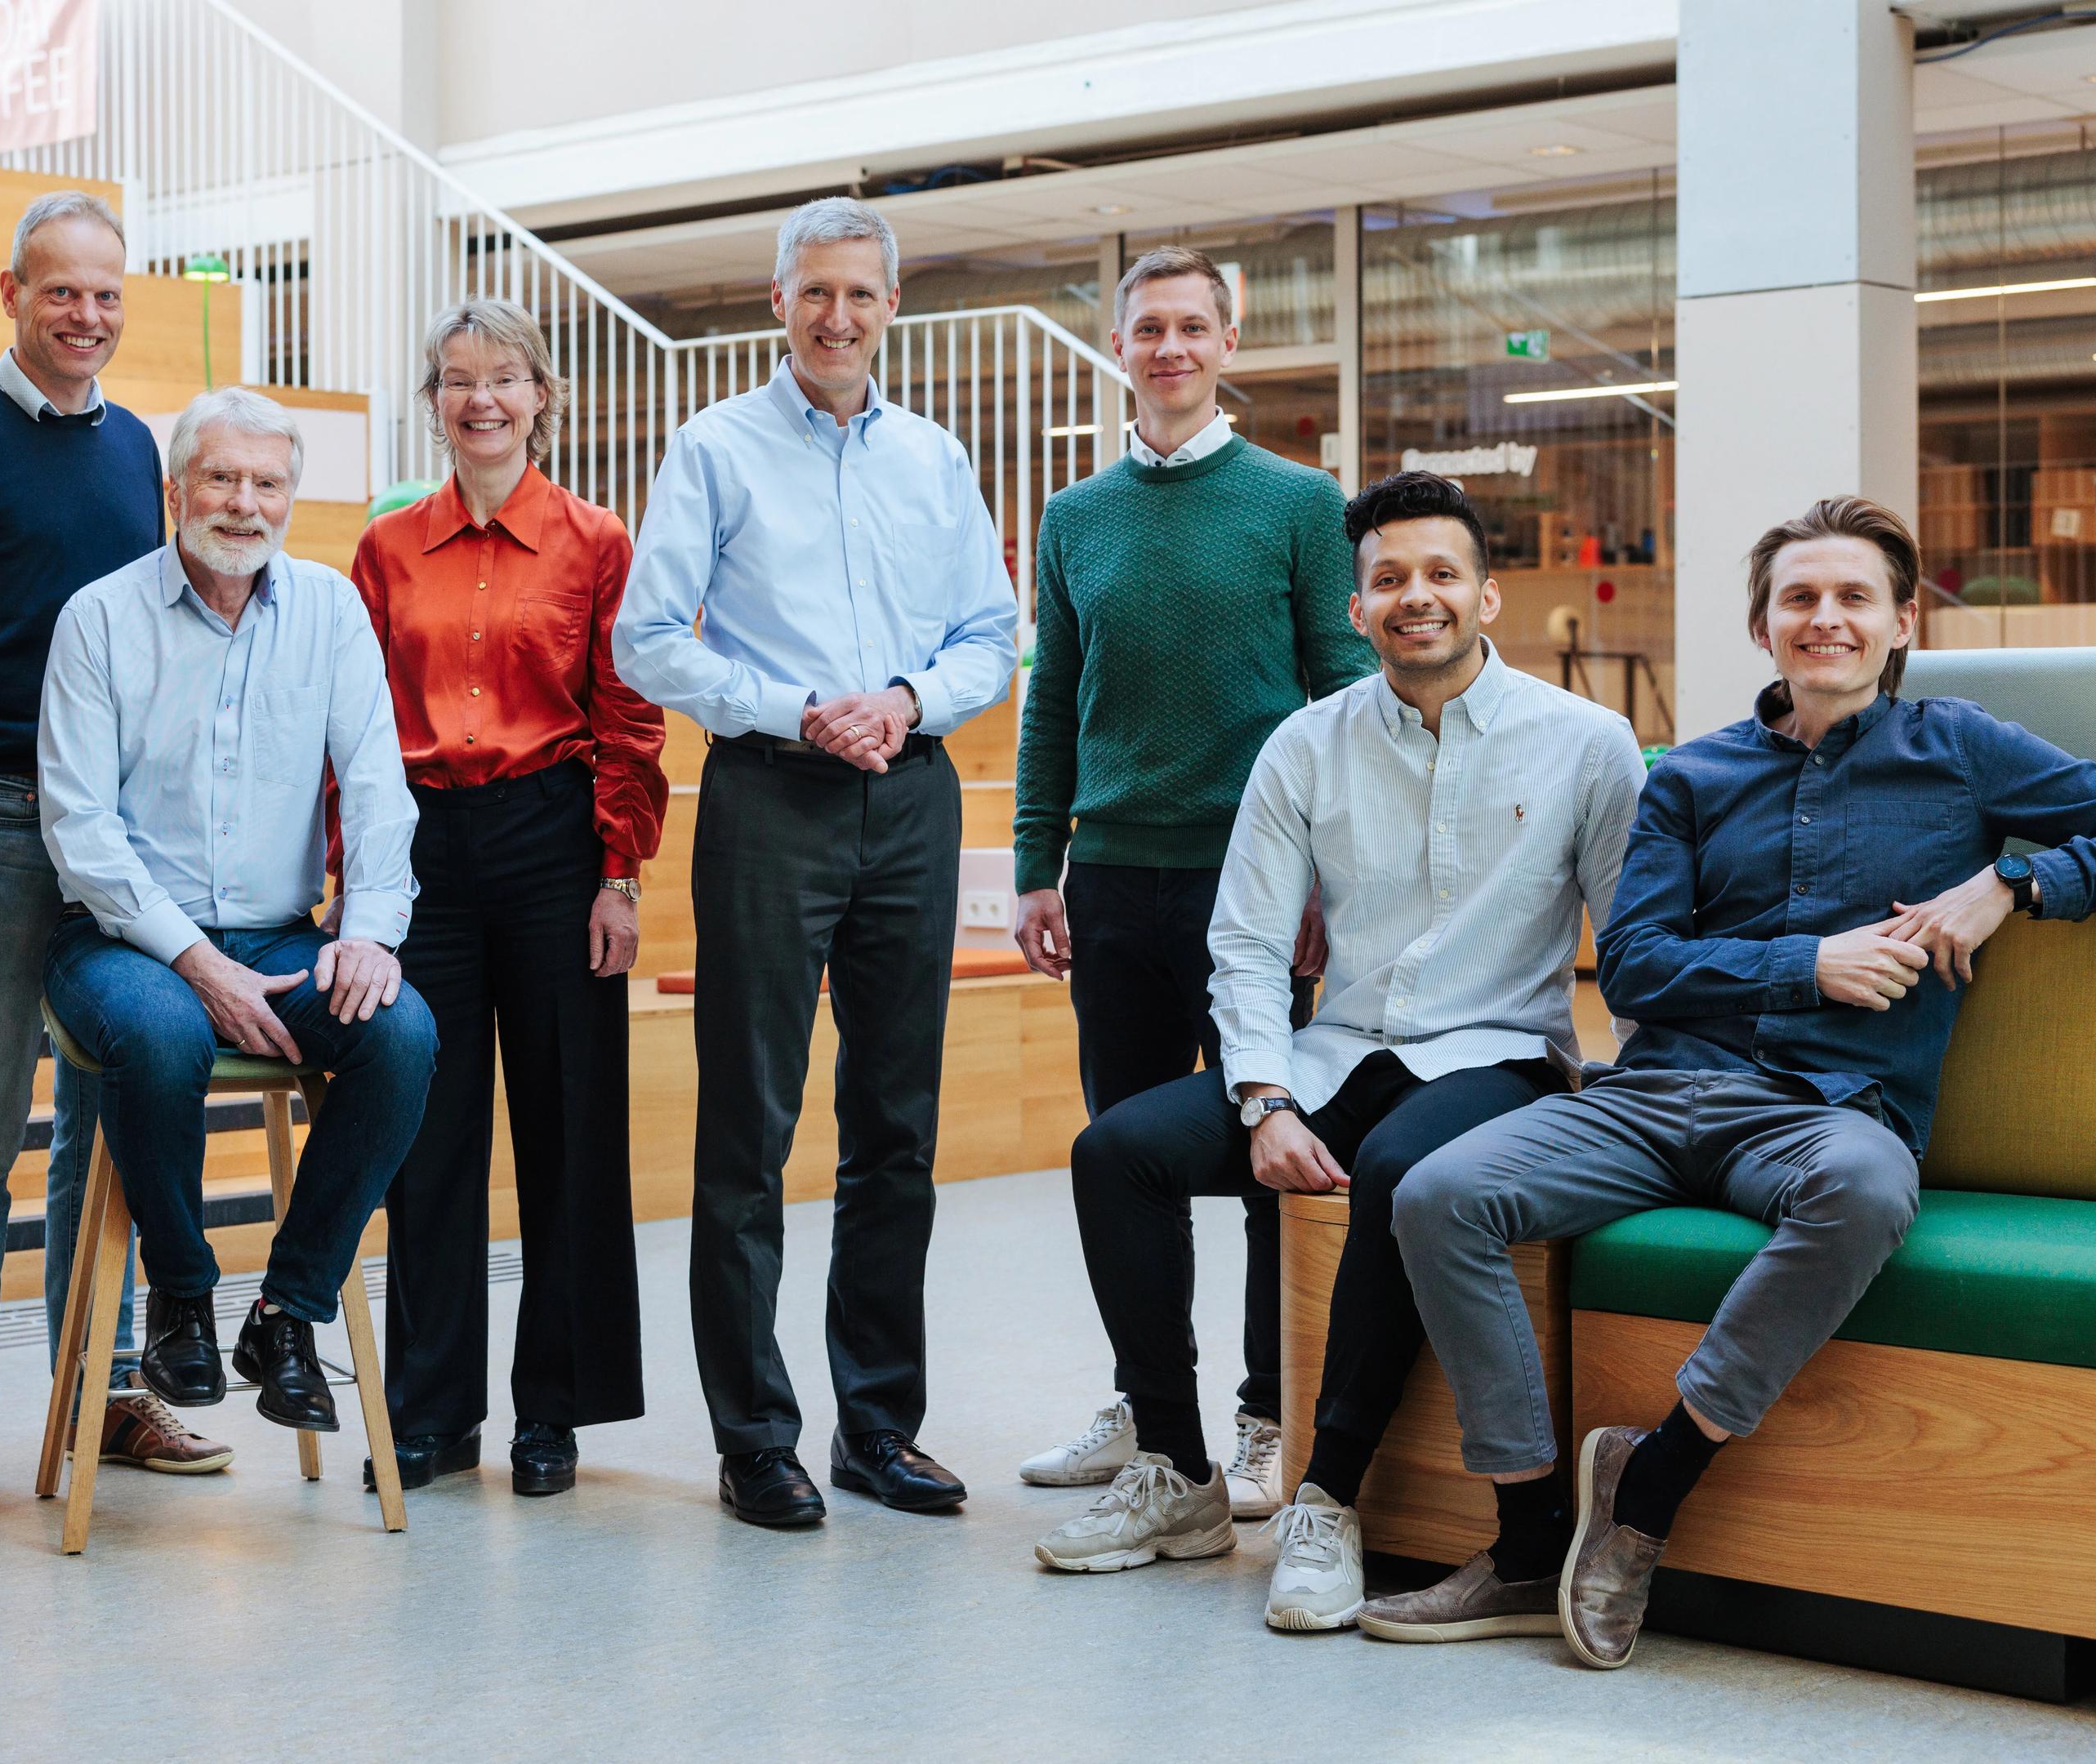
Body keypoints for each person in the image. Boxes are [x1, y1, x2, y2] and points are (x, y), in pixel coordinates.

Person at [1371, 495, 2096, 1668]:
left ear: (1902, 620)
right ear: (1765, 625)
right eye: (1801, 599)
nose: (1827, 619)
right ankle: (1524, 1546)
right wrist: (1808, 964)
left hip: (1830, 1115)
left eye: (1854, 597)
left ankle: (1650, 1488)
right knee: (1436, 1193)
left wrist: (2014, 885)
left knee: (1871, 1190)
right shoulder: (1691, 777)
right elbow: (1637, 966)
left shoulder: (1962, 751)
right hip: (1656, 1096)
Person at [1028, 473, 1640, 1637]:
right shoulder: (1304, 745)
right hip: (1334, 1051)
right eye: (1391, 579)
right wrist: (1261, 1097)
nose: (1418, 597)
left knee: (1405, 1168)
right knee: (1116, 1152)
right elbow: (1248, 943)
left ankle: (1326, 1497)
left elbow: (1636, 939)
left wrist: (1642, 1101)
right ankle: (1179, 1473)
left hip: (1498, 1052)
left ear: (1489, 597)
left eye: (1442, 575)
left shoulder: (1587, 745)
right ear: (1355, 610)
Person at [615, 197, 1019, 1528]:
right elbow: (647, 641)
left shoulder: (933, 460)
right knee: (749, 1128)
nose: (835, 317)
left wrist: (902, 698)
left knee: (893, 1132)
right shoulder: (713, 448)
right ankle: (753, 1439)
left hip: (907, 797)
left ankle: (877, 1428)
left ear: (890, 305)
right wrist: (797, 708)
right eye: (812, 295)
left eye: (858, 294)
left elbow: (988, 639)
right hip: (769, 800)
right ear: (775, 303)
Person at [1010, 245, 1371, 1517]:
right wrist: (1033, 864)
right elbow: (1053, 700)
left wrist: (1338, 873)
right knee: (1132, 1155)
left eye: (1190, 327)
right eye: (1146, 328)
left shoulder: (1296, 504)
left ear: (1229, 345)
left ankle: (1271, 1412)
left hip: (1262, 889)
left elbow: (1342, 693)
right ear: (1121, 346)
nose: (1168, 348)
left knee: (1279, 1150)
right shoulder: (1074, 517)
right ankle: (1155, 1417)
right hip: (1111, 883)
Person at [0, 190, 227, 1515]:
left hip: (115, 830)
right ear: (10, 292)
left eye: (105, 295)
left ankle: (105, 1385)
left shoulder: (139, 443)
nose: (85, 315)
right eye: (60, 291)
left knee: (114, 1122)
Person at [39, 386, 438, 1435]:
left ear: (292, 500)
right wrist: (193, 963)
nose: (243, 504)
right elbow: (79, 827)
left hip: (279, 932)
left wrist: (368, 935)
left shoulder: (329, 609)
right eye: (220, 478)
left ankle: (287, 1313)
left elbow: (378, 784)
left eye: (268, 484)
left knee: (401, 1035)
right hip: (119, 935)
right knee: (164, 1034)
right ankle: (180, 1297)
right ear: (175, 490)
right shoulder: (100, 619)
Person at [350, 299, 667, 1498]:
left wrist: (618, 874)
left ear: (543, 395)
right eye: (455, 380)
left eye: (504, 379)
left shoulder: (596, 542)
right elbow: (359, 728)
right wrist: (361, 890)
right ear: (433, 403)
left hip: (553, 839)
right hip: (423, 848)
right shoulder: (385, 551)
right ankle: (433, 1413)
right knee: (427, 1134)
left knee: (569, 1132)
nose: (480, 399)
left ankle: (555, 1414)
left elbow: (631, 720)